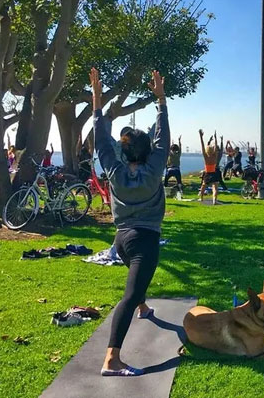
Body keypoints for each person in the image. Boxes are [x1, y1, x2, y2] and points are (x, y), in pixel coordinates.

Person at [91, 67, 166, 376]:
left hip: (121, 241)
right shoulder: (155, 169)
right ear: (148, 152)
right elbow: (164, 137)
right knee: (130, 292)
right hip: (143, 242)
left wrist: (97, 101)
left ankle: (144, 308)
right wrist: (160, 100)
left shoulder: (115, 171)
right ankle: (112, 359)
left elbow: (102, 143)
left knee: (139, 285)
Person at [197, 129, 220, 204]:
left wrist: (201, 136)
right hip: (214, 173)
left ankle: (201, 198)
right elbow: (216, 148)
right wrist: (216, 138)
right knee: (215, 188)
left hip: (207, 173)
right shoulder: (214, 156)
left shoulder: (206, 157)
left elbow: (202, 146)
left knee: (203, 187)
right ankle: (214, 200)